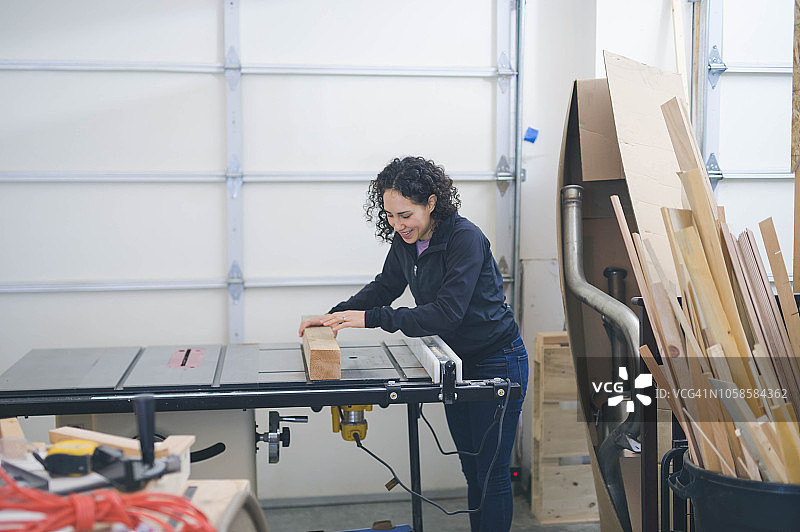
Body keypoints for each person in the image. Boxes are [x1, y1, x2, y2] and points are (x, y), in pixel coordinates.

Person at [298, 156, 528, 532]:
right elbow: (386, 286)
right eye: (390, 216)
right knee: (472, 468)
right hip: (455, 362)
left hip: (497, 361)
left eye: (405, 215)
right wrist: (335, 315)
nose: (398, 224)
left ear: (431, 203)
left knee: (492, 474)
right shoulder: (406, 240)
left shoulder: (464, 238)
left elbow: (446, 314)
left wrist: (373, 318)